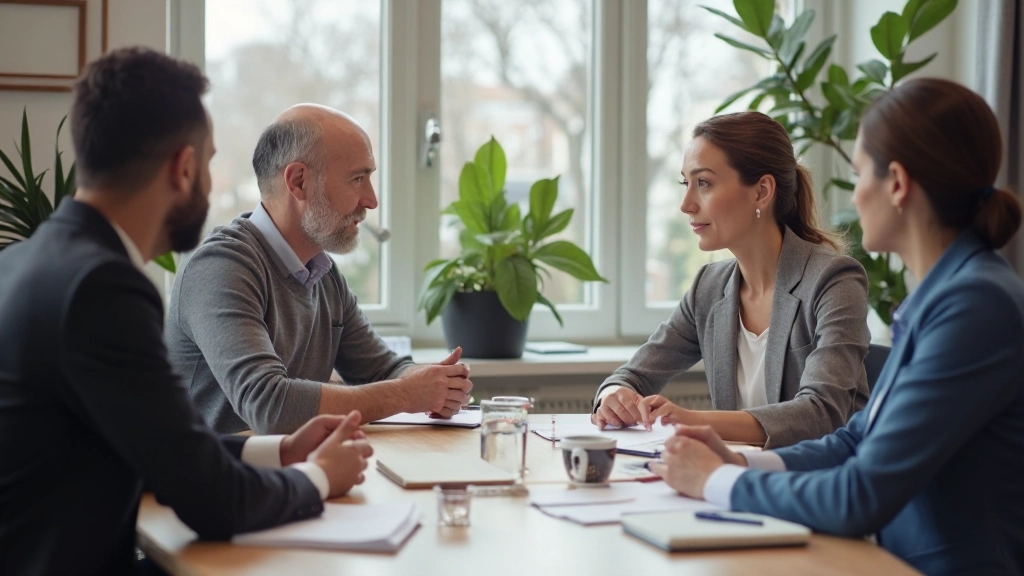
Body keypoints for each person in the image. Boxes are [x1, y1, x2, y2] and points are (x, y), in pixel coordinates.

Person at [0, 48, 374, 576]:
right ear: (184, 167)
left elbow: (155, 445)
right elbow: (213, 502)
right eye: (209, 163)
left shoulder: (22, 262)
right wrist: (319, 477)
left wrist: (280, 450)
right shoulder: (103, 288)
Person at [652, 78, 1024, 575]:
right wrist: (739, 462)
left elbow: (860, 494)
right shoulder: (944, 295)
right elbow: (853, 442)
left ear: (896, 183)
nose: (854, 193)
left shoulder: (975, 306)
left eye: (858, 173)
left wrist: (716, 482)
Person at [165, 105, 473, 435]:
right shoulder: (221, 267)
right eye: (357, 178)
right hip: (209, 484)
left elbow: (381, 370)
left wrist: (434, 384)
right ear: (298, 182)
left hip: (284, 476)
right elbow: (269, 406)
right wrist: (407, 393)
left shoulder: (322, 274)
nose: (371, 201)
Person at [593, 111, 870, 448]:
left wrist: (692, 420)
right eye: (686, 183)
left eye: (704, 183)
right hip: (736, 478)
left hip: (820, 485)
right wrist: (615, 394)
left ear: (761, 192)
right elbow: (633, 375)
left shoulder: (833, 280)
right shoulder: (708, 288)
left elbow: (823, 413)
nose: (686, 204)